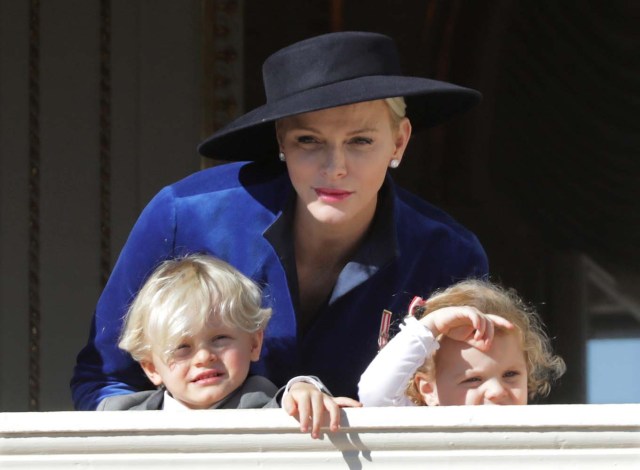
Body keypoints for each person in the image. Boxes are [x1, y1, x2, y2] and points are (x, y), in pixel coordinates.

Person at [71, 31, 489, 410]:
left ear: (399, 141)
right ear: (281, 142)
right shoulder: (184, 215)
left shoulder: (449, 255)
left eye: (360, 141)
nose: (335, 167)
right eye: (309, 141)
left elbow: (470, 397)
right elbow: (105, 380)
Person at [98, 254, 358, 438]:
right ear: (151, 367)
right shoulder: (121, 418)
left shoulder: (271, 407)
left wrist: (304, 390)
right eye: (182, 347)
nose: (203, 357)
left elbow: (293, 401)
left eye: (220, 338)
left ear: (254, 343)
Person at [358, 279, 566, 406]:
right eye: (473, 379)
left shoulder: (535, 439)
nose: (497, 391)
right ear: (429, 390)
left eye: (511, 375)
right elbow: (374, 396)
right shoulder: (424, 430)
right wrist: (432, 325)